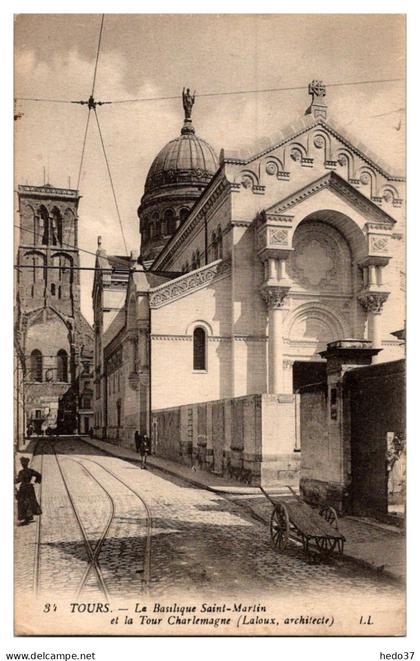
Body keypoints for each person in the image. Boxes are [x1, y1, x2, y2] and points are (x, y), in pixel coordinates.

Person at [15, 457, 42, 526]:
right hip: (30, 488)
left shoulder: (21, 472)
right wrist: (35, 482)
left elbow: (18, 480)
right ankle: (29, 516)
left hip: (23, 489)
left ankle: (27, 517)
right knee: (30, 501)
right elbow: (39, 475)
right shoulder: (31, 471)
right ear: (27, 464)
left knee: (23, 502)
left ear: (22, 465)